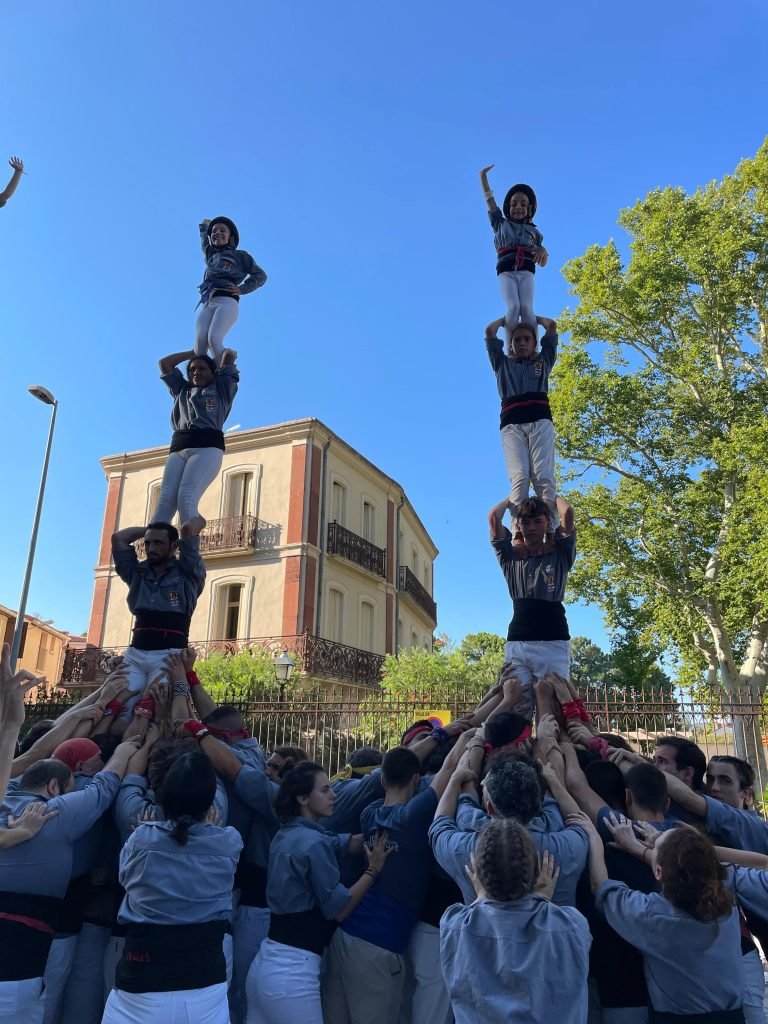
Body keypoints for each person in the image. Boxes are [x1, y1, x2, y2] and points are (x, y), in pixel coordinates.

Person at [322, 738, 473, 1024]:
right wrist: (469, 738)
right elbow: (450, 767)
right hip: (377, 947)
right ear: (416, 779)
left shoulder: (369, 815)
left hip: (344, 937)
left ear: (382, 780)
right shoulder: (412, 817)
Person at [0, 740, 140, 1023]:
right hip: (14, 973)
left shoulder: (6, 795)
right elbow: (103, 787)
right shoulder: (55, 813)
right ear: (54, 787)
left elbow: (24, 759)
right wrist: (124, 751)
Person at [245, 761, 391, 1024]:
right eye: (324, 790)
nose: (333, 794)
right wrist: (373, 870)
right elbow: (339, 909)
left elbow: (336, 842)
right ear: (303, 797)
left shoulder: (287, 834)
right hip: (293, 975)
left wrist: (371, 837)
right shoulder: (312, 844)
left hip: (265, 964)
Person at [102, 751, 242, 1024]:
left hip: (140, 982)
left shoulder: (142, 837)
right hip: (205, 984)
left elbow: (125, 879)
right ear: (210, 800)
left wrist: (147, 832)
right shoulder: (228, 841)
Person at [588, 816, 746, 1022]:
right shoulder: (727, 908)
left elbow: (600, 887)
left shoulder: (652, 915)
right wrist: (652, 848)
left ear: (659, 872)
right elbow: (695, 870)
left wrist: (593, 837)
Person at [440, 817, 590, 1024]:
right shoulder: (571, 925)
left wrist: (482, 896)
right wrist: (544, 899)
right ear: (535, 871)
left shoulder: (455, 925)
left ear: (480, 876)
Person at [489, 497, 576, 719]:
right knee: (517, 710)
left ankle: (551, 752)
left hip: (553, 642)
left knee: (553, 712)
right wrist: (514, 498)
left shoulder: (560, 554)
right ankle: (518, 751)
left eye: (538, 522)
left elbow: (568, 514)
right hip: (519, 643)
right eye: (526, 523)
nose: (532, 528)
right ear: (519, 525)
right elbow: (493, 517)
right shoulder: (510, 556)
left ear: (548, 523)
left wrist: (548, 495)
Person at [110, 520, 206, 720]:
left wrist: (192, 519)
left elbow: (189, 530)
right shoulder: (137, 573)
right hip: (136, 653)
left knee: (156, 714)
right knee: (121, 711)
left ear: (174, 546)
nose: (151, 548)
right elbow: (119, 539)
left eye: (159, 543)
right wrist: (151, 530)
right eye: (148, 543)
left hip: (169, 655)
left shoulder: (187, 572)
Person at [485, 315, 560, 524]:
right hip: (512, 424)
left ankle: (551, 528)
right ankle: (518, 529)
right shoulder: (502, 364)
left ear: (534, 343)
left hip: (540, 421)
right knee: (520, 476)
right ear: (511, 345)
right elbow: (490, 332)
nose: (522, 343)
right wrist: (507, 318)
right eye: (517, 340)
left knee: (543, 477)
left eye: (527, 339)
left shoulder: (543, 361)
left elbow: (552, 327)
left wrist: (532, 317)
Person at [152, 347, 239, 525]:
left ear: (213, 373)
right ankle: (155, 546)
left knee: (186, 498)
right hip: (178, 446)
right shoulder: (181, 390)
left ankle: (189, 547)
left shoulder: (221, 388)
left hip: (206, 446)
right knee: (165, 502)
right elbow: (165, 363)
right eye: (192, 369)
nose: (196, 372)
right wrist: (194, 352)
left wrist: (215, 348)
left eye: (202, 368)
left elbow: (229, 356)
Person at [478, 167, 547, 333]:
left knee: (527, 308)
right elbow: (490, 201)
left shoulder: (534, 233)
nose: (518, 207)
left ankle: (533, 351)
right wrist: (483, 178)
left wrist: (543, 250)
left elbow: (542, 261)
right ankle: (512, 350)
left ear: (529, 209)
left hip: (526, 271)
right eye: (514, 203)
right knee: (514, 307)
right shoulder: (500, 224)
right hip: (506, 271)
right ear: (508, 207)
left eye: (523, 204)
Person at [196, 217, 267, 364]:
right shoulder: (211, 255)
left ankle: (224, 372)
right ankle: (203, 380)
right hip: (208, 302)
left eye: (223, 231)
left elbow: (260, 275)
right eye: (214, 231)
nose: (217, 233)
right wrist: (205, 225)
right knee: (200, 344)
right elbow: (204, 242)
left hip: (226, 301)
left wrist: (242, 289)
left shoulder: (240, 256)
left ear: (230, 237)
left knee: (214, 338)